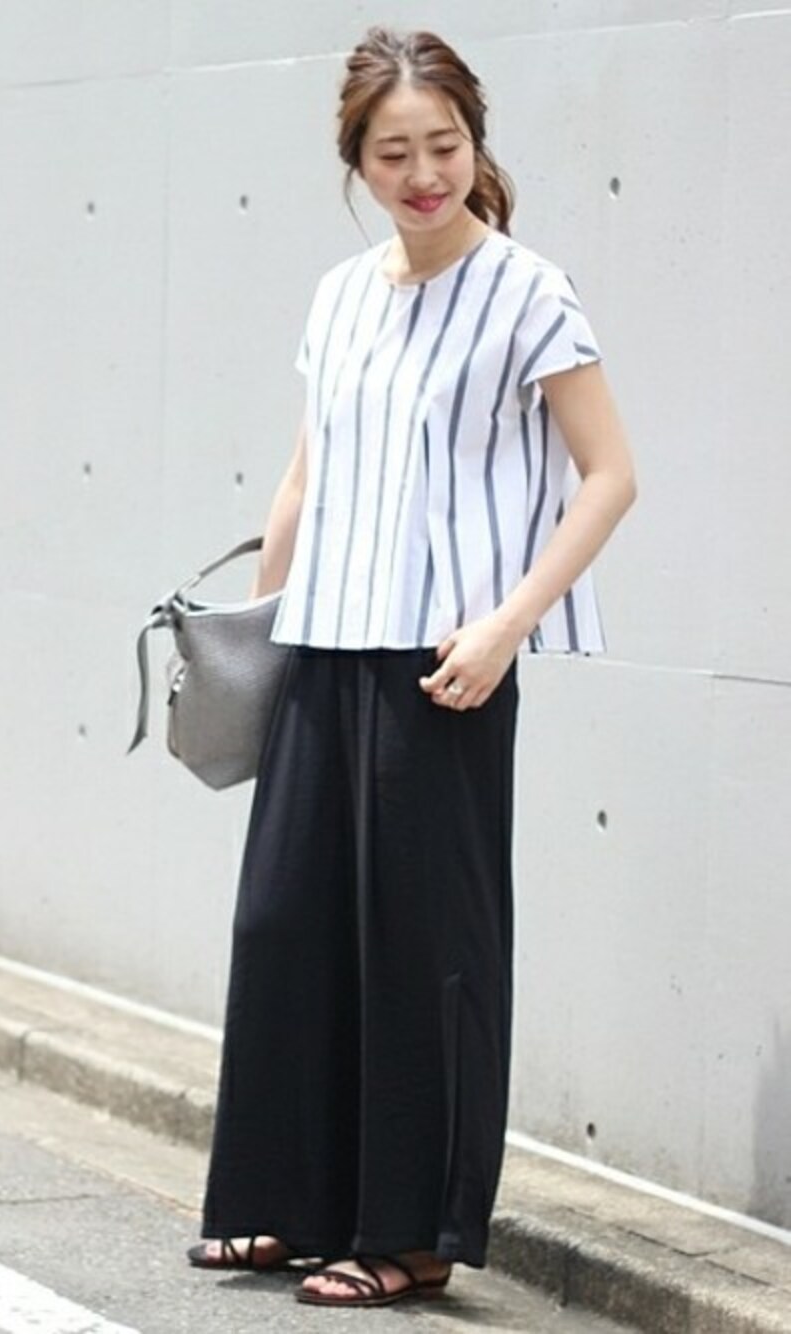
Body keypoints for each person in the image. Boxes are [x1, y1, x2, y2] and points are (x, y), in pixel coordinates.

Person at [186, 25, 636, 1310]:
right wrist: (259, 630)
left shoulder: (527, 291)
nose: (424, 174)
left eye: (444, 146)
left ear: (475, 144)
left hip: (445, 665)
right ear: (357, 161)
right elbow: (304, 477)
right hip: (322, 648)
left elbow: (609, 476)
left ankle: (412, 1233)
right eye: (395, 153)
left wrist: (506, 626)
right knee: (287, 926)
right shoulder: (339, 294)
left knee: (423, 949)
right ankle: (285, 1201)